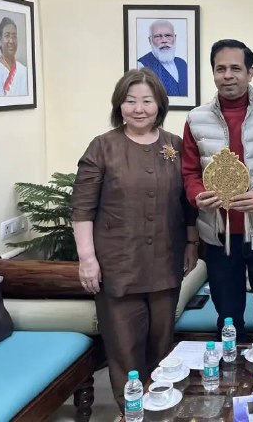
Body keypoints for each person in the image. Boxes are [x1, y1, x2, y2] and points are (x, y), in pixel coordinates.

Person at [71, 68, 197, 412]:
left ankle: (162, 410)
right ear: (119, 105)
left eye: (147, 101)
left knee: (162, 349)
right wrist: (87, 259)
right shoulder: (103, 147)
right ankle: (132, 413)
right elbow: (82, 208)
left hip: (165, 265)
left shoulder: (175, 146)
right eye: (130, 101)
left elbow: (187, 203)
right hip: (118, 268)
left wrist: (191, 243)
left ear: (160, 105)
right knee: (125, 352)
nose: (139, 109)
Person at [182, 39, 253, 342]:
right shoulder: (196, 119)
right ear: (213, 73)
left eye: (235, 68)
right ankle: (230, 370)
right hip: (218, 235)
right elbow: (189, 172)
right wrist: (197, 195)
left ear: (250, 72)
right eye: (220, 69)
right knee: (228, 318)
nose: (227, 75)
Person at [138, 19, 188, 96]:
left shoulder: (182, 63)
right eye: (158, 36)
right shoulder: (141, 66)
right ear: (150, 40)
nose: (164, 40)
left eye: (168, 35)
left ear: (175, 38)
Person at [0, 17, 28, 96]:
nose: (11, 41)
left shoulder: (24, 71)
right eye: (7, 36)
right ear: (0, 39)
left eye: (14, 36)